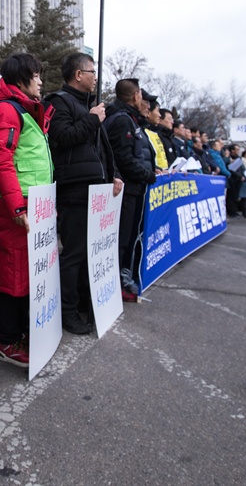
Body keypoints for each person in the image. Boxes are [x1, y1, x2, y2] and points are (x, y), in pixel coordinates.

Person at [0, 53, 53, 367]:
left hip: (29, 204)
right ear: (22, 78)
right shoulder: (6, 109)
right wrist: (17, 205)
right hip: (18, 206)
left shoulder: (23, 110)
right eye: (36, 75)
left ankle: (19, 334)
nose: (40, 81)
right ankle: (7, 342)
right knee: (13, 275)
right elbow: (0, 157)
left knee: (26, 273)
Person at [46, 53, 121, 335]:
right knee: (74, 253)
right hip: (74, 189)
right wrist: (92, 120)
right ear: (78, 74)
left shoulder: (89, 106)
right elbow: (61, 139)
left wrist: (112, 175)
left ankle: (84, 304)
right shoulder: (60, 102)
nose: (96, 77)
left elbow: (99, 151)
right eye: (92, 71)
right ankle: (66, 311)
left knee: (91, 252)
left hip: (95, 187)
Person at [104, 79, 155, 301]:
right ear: (135, 96)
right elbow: (123, 158)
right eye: (142, 96)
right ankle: (114, 286)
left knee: (128, 238)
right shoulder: (122, 120)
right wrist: (148, 175)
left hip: (132, 189)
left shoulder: (129, 119)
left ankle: (121, 280)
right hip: (124, 191)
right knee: (122, 239)